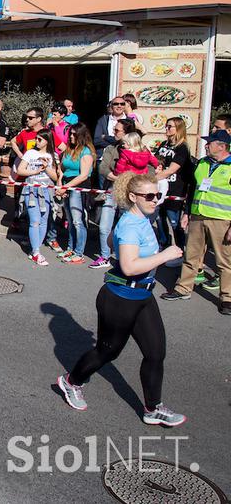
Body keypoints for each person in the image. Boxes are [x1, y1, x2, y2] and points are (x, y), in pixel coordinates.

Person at [58, 172, 186, 426]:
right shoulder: (130, 224)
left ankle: (153, 408)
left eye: (157, 195)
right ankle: (70, 381)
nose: (155, 200)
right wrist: (165, 255)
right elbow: (128, 267)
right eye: (149, 196)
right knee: (107, 352)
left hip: (143, 295)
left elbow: (109, 240)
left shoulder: (139, 220)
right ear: (132, 197)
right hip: (120, 297)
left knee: (155, 352)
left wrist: (118, 241)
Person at [162, 129, 231, 314]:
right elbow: (193, 190)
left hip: (222, 219)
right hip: (197, 216)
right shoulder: (201, 163)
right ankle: (183, 289)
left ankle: (227, 298)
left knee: (224, 261)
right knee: (191, 255)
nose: (206, 145)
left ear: (222, 146)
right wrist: (186, 213)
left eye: (211, 143)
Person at [91, 118, 138, 269]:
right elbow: (103, 168)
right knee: (104, 225)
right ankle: (104, 256)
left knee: (126, 227)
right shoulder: (111, 148)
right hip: (111, 190)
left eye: (117, 130)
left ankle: (124, 257)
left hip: (130, 192)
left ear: (127, 133)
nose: (113, 132)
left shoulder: (140, 150)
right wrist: (119, 179)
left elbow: (148, 170)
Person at [16, 130, 60, 266]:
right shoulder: (30, 153)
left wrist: (46, 167)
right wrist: (34, 171)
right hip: (31, 189)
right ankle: (36, 252)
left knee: (43, 220)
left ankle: (37, 248)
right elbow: (20, 170)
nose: (37, 141)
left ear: (47, 140)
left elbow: (55, 177)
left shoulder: (53, 155)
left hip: (46, 190)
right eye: (36, 139)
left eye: (40, 139)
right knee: (34, 220)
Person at [154, 117, 192, 264]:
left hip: (175, 188)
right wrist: (157, 167)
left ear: (178, 128)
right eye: (166, 126)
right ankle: (164, 243)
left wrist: (153, 179)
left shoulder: (182, 147)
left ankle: (180, 250)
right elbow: (159, 161)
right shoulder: (164, 144)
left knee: (174, 221)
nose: (167, 129)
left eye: (170, 127)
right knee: (159, 217)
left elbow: (172, 169)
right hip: (161, 187)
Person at [56, 123, 96, 265]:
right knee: (70, 221)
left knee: (78, 221)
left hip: (78, 188)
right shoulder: (68, 150)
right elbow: (61, 168)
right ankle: (70, 248)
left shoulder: (86, 152)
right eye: (70, 134)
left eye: (74, 134)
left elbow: (84, 175)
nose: (71, 137)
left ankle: (79, 252)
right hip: (66, 185)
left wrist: (65, 187)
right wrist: (60, 181)